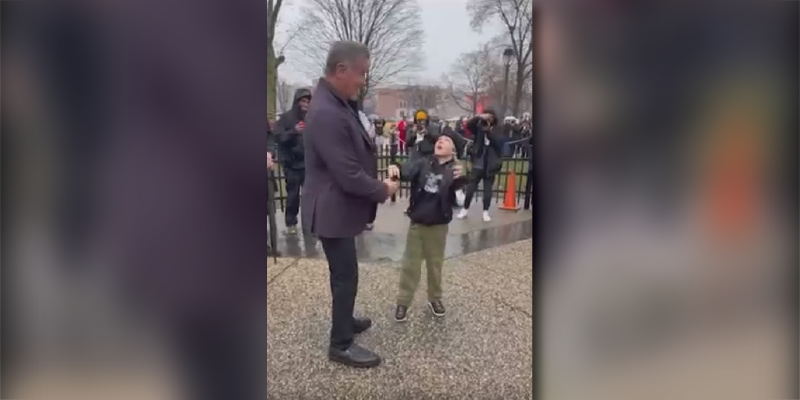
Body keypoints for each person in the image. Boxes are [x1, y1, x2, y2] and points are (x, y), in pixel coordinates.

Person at [301, 41, 400, 368]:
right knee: (346, 276)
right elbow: (347, 174)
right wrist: (383, 188)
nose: (363, 81)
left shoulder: (338, 103)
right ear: (341, 70)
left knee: (344, 274)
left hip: (337, 208)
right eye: (361, 74)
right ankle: (340, 344)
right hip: (331, 209)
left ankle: (345, 321)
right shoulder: (327, 112)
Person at [387, 135, 467, 322]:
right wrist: (396, 167)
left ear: (453, 150)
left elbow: (460, 193)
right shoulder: (424, 163)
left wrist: (461, 179)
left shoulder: (456, 168)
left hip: (438, 225)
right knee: (410, 265)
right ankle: (403, 301)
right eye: (439, 140)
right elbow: (407, 170)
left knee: (435, 265)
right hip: (418, 223)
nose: (440, 141)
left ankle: (435, 298)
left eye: (446, 140)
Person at [276, 88, 312, 235]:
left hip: (308, 163)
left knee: (310, 195)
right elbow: (279, 138)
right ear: (297, 101)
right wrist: (294, 131)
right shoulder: (286, 118)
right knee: (293, 195)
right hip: (291, 164)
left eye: (308, 101)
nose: (306, 104)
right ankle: (291, 222)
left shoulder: (312, 118)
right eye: (303, 101)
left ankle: (309, 223)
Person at [456, 110, 503, 222]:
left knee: (487, 190)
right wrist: (479, 117)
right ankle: (465, 209)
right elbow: (469, 125)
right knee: (471, 188)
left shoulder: (497, 129)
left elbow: (499, 144)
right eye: (487, 117)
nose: (488, 120)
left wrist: (489, 132)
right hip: (478, 162)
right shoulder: (479, 127)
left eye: (490, 118)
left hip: (490, 164)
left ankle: (485, 211)